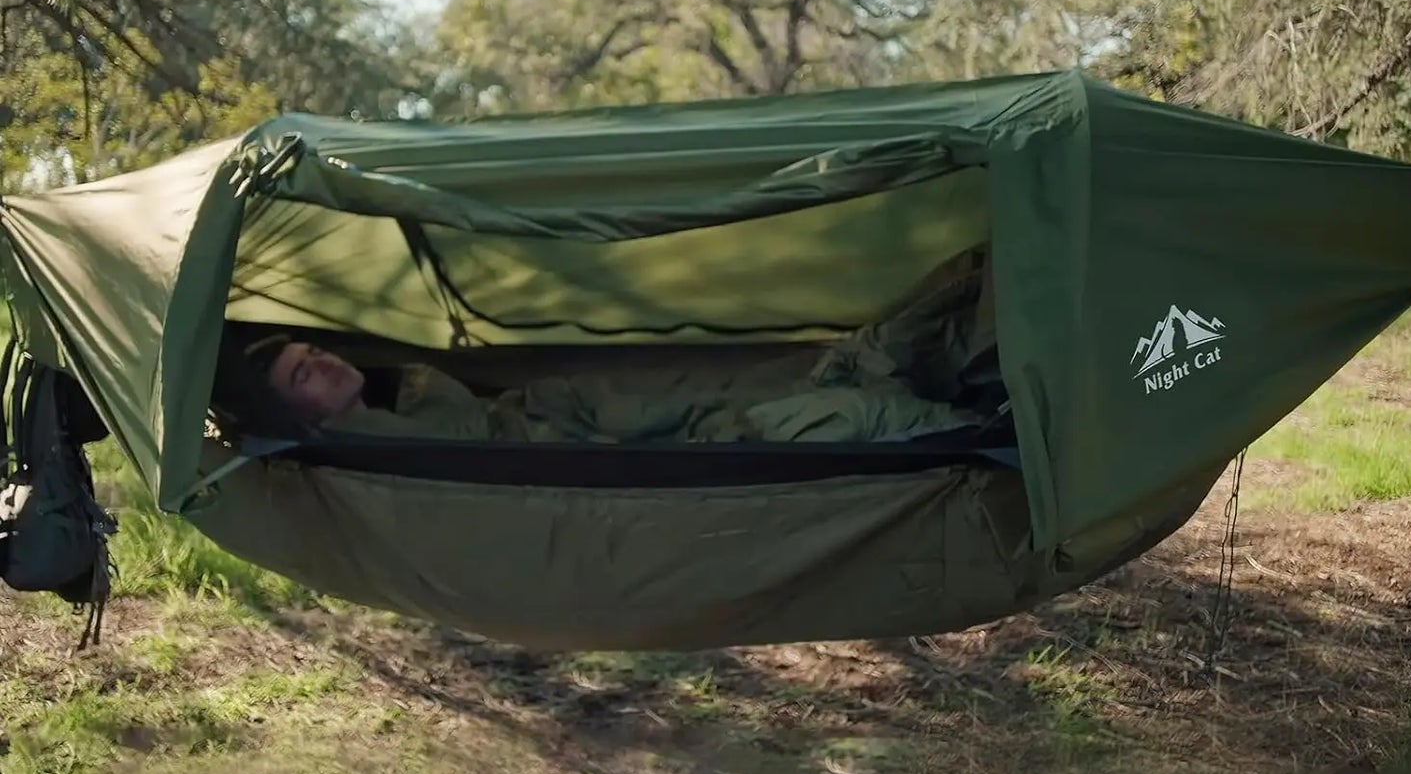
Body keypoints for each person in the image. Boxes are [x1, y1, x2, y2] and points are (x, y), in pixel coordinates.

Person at [242, 249, 998, 447]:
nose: (323, 360)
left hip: (574, 407)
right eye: (303, 372)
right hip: (585, 441)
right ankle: (987, 427)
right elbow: (460, 437)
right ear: (295, 413)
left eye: (313, 349)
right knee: (824, 413)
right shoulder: (353, 446)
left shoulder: (390, 385)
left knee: (821, 367)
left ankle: (986, 279)